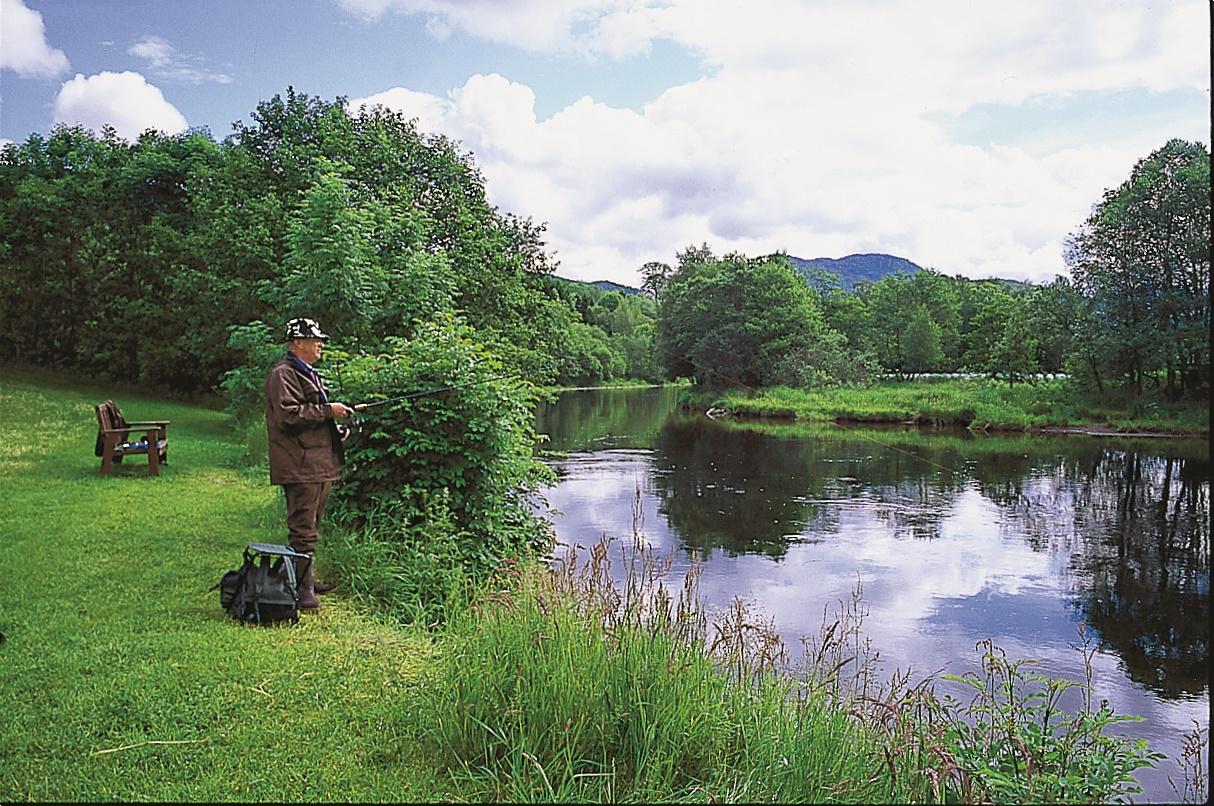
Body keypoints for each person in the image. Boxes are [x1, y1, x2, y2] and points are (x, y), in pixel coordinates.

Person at [264, 317, 353, 610]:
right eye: (315, 340)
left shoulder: (307, 372)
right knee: (302, 528)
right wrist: (329, 411)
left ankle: (305, 580)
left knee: (311, 525)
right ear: (297, 343)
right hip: (300, 465)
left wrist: (333, 429)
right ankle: (302, 593)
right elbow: (289, 416)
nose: (320, 345)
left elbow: (309, 416)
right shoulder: (283, 374)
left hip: (317, 463)